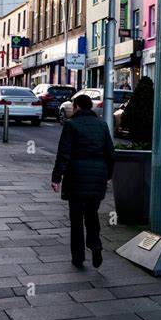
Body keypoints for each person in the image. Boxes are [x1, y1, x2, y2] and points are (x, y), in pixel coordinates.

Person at [51, 93, 115, 268]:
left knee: (76, 219)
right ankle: (95, 245)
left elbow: (64, 154)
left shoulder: (71, 125)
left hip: (76, 178)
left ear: (77, 107)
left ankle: (78, 257)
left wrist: (57, 177)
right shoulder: (102, 125)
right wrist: (108, 176)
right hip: (97, 178)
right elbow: (111, 153)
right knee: (92, 214)